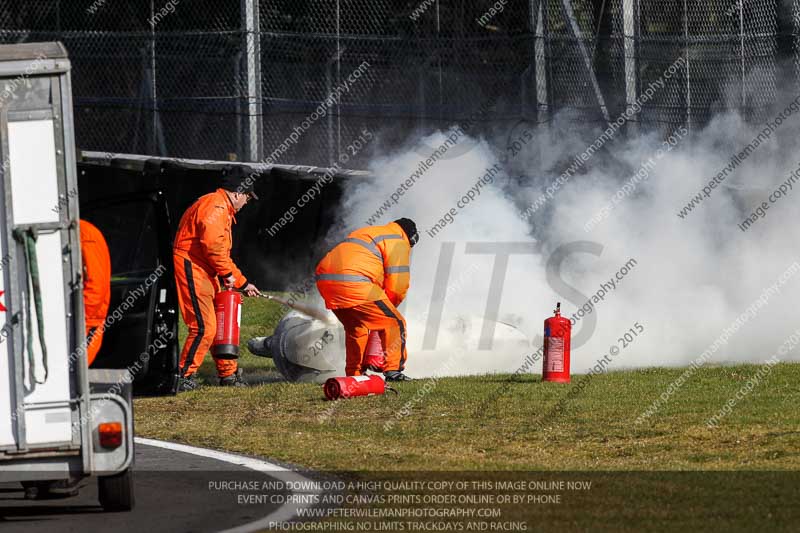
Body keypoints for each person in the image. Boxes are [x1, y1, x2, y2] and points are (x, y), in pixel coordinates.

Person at [173, 167, 261, 391]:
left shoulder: (220, 206)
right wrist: (228, 275)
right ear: (238, 193)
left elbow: (220, 253)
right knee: (204, 327)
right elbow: (213, 247)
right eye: (248, 197)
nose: (247, 202)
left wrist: (242, 282)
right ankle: (183, 375)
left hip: (205, 269)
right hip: (193, 267)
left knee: (223, 323)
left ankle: (228, 374)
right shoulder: (216, 206)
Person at [315, 218, 418, 381]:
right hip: (354, 283)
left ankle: (354, 375)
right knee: (394, 322)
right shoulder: (398, 241)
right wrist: (388, 309)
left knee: (356, 328)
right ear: (411, 238)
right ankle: (393, 372)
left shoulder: (369, 232)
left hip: (326, 281)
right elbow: (397, 286)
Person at [79, 219, 111, 367]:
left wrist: (80, 323)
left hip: (87, 322)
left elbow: (95, 287)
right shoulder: (82, 232)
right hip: (85, 320)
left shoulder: (85, 234)